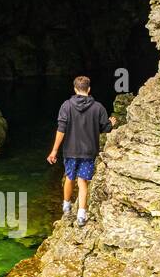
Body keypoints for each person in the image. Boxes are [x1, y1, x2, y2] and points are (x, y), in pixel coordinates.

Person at [46, 75, 116, 227]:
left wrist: (54, 151)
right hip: (88, 152)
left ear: (75, 89)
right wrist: (111, 122)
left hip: (70, 151)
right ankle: (81, 215)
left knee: (70, 177)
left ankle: (66, 205)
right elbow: (105, 128)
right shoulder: (98, 107)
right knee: (83, 181)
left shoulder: (66, 106)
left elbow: (61, 129)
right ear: (89, 89)